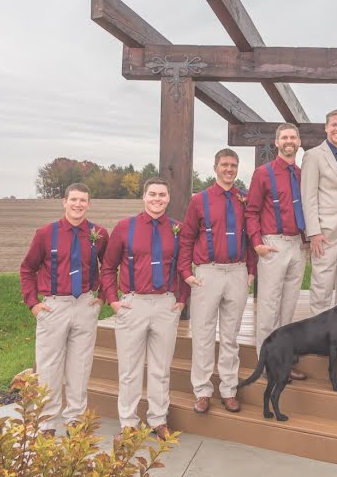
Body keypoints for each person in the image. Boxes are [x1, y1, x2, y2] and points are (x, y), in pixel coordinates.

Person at [100, 178, 187, 440]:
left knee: (161, 367)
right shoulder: (125, 227)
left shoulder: (177, 230)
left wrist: (181, 299)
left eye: (162, 195)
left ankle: (158, 420)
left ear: (168, 198)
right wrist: (114, 301)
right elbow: (107, 267)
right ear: (144, 197)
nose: (157, 199)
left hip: (165, 304)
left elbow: (185, 267)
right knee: (129, 368)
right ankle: (128, 422)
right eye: (152, 194)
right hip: (133, 303)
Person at [20, 182, 109, 435]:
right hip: (54, 306)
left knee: (80, 365)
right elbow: (27, 269)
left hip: (85, 306)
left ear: (89, 204)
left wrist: (101, 297)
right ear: (64, 202)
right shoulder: (46, 233)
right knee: (49, 366)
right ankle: (46, 422)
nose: (78, 204)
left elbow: (109, 267)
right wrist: (33, 304)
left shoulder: (99, 234)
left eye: (83, 200)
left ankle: (75, 419)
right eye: (74, 200)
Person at [179, 149, 256, 415]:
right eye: (224, 165)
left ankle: (229, 389)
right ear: (215, 168)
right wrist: (186, 271)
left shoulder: (243, 199)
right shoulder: (199, 200)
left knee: (231, 335)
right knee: (202, 333)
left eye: (233, 165)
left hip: (237, 271)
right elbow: (187, 237)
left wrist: (251, 270)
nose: (229, 169)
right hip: (207, 272)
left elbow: (250, 237)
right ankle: (202, 390)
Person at [245, 123, 307, 380]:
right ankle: (266, 364)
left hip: (297, 246)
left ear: (299, 142)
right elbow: (251, 211)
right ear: (277, 142)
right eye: (284, 137)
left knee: (288, 309)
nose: (289, 141)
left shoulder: (303, 173)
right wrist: (257, 243)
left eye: (293, 137)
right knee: (269, 308)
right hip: (273, 244)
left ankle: (284, 362)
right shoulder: (263, 173)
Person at [301, 109, 337, 320]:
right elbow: (308, 196)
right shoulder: (313, 155)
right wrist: (313, 232)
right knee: (322, 285)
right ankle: (319, 333)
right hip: (325, 232)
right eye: (333, 124)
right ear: (326, 127)